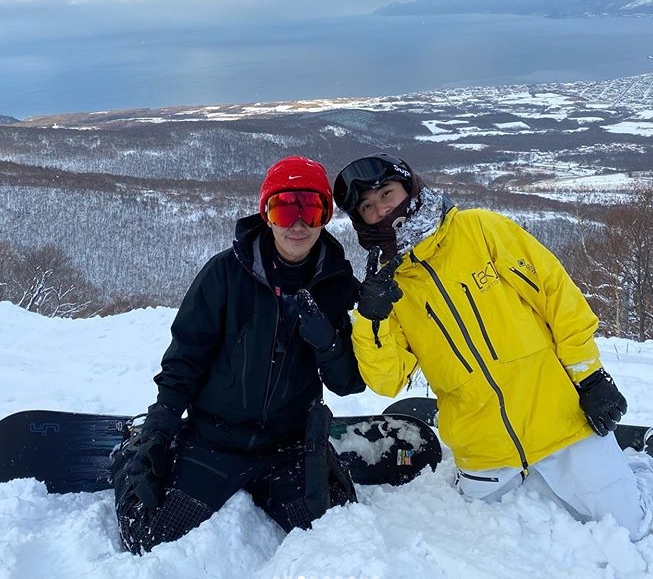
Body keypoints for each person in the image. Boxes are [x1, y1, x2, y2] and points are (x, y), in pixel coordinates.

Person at [332, 152, 653, 540]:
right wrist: (372, 318)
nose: (382, 208)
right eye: (368, 206)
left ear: (410, 188)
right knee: (491, 544)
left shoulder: (479, 229)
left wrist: (590, 376)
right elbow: (387, 381)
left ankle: (627, 466)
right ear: (359, 220)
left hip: (560, 420)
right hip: (481, 445)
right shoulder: (388, 286)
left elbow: (557, 298)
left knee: (630, 530)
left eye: (387, 193)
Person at [111, 156, 365, 554]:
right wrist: (162, 420)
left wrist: (328, 343)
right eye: (285, 208)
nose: (297, 223)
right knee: (148, 536)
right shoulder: (225, 274)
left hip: (288, 444)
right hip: (214, 438)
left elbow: (348, 383)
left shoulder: (339, 286)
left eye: (311, 209)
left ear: (326, 217)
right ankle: (127, 451)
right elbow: (187, 353)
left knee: (335, 536)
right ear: (266, 214)